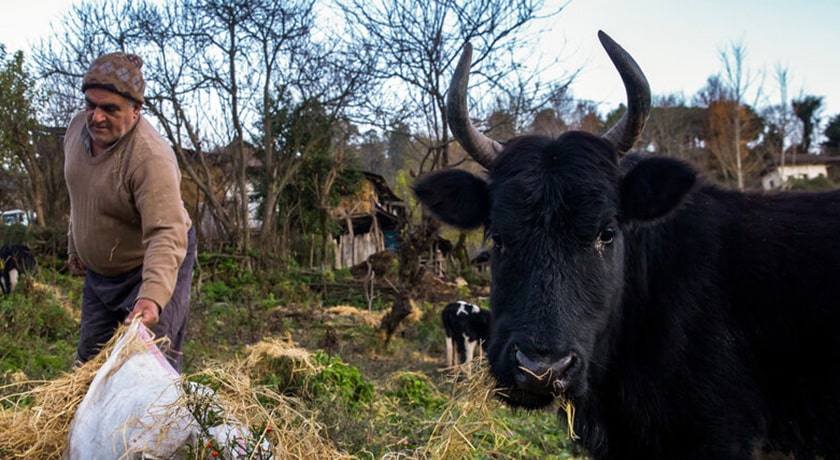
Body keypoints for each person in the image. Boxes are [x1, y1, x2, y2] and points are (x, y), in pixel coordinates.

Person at [64, 52, 196, 373]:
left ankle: (160, 423)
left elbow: (166, 232)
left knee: (147, 367)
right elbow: (79, 190)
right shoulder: (75, 130)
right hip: (102, 276)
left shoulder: (149, 157)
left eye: (109, 109)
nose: (96, 117)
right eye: (91, 105)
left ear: (136, 110)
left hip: (151, 265)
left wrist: (151, 295)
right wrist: (76, 244)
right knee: (90, 367)